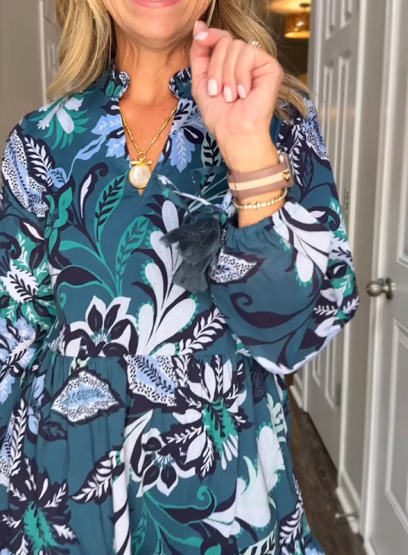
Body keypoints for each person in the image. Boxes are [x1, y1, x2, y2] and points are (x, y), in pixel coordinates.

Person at [0, 0, 359, 553]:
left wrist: (248, 154)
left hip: (222, 492)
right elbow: (12, 341)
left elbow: (296, 334)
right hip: (61, 489)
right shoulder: (41, 140)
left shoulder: (278, 120)